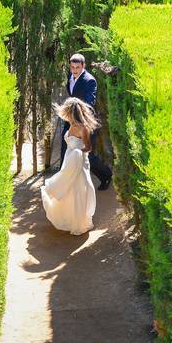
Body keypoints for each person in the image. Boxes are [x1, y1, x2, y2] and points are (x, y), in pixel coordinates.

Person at [42, 98, 97, 235]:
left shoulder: (83, 128)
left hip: (79, 162)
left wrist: (77, 153)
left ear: (72, 113)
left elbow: (89, 147)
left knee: (78, 189)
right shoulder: (70, 125)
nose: (65, 116)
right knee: (68, 190)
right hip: (69, 161)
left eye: (67, 113)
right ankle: (69, 218)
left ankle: (79, 222)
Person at [59, 53, 113, 190]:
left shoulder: (90, 80)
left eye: (77, 67)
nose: (74, 70)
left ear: (83, 66)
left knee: (88, 155)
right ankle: (65, 184)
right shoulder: (70, 76)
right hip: (70, 121)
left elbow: (90, 101)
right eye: (72, 67)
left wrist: (76, 111)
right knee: (66, 149)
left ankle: (106, 175)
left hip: (85, 122)